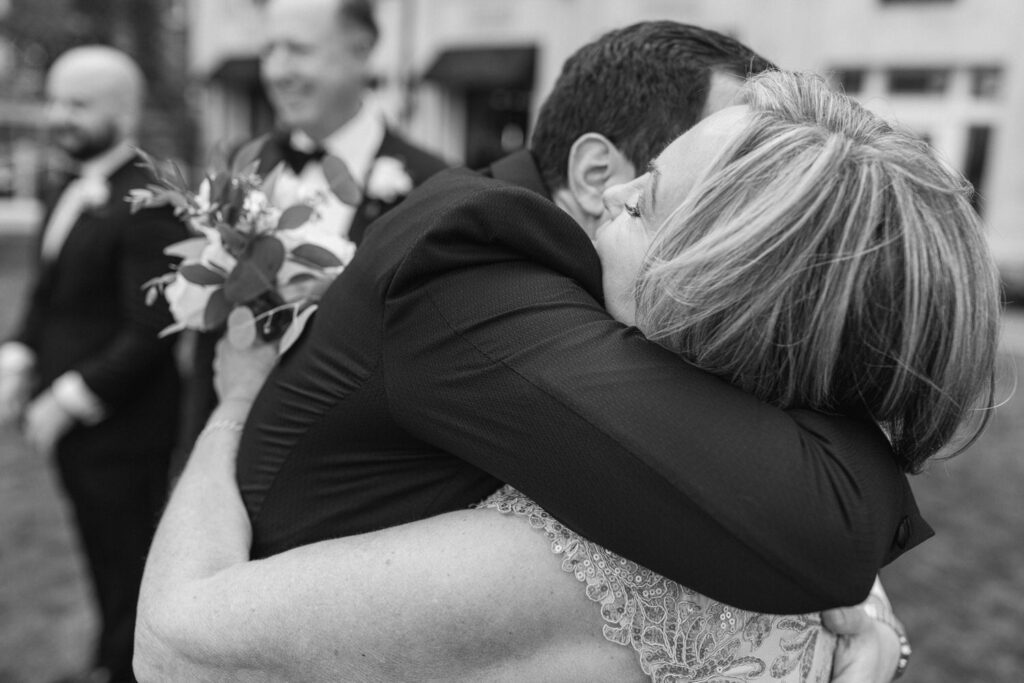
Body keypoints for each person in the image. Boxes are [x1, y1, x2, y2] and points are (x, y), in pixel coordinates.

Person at [134, 69, 1000, 681]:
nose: (612, 199)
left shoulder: (564, 564)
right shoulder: (795, 539)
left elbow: (174, 644)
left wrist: (231, 406)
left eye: (649, 199)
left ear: (725, 292)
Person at [178, 0, 449, 455]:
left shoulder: (432, 185)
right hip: (232, 444)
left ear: (361, 51)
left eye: (299, 49)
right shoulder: (239, 170)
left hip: (358, 461)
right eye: (270, 50)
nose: (277, 71)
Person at [0, 46, 188, 683]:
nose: (58, 116)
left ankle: (127, 668)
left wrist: (64, 401)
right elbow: (49, 294)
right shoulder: (66, 186)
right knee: (98, 559)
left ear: (124, 111)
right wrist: (18, 357)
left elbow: (152, 329)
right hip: (76, 433)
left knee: (128, 564)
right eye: (53, 100)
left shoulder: (151, 198)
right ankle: (108, 660)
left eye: (76, 104)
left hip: (124, 432)